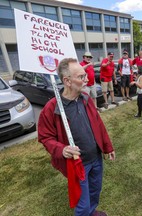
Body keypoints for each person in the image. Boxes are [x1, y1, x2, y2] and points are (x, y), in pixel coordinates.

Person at [38, 58, 115, 216]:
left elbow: (99, 125)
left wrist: (108, 147)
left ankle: (92, 212)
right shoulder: (52, 108)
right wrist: (61, 149)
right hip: (78, 164)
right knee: (82, 202)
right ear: (67, 81)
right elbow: (45, 137)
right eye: (81, 77)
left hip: (96, 159)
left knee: (95, 192)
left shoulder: (85, 99)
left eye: (85, 75)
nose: (86, 79)